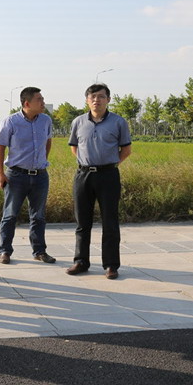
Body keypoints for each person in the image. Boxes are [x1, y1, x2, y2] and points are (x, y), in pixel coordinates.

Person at [66, 83, 132, 279]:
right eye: (93, 97)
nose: (97, 100)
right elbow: (74, 147)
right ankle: (81, 261)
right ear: (87, 100)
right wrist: (87, 162)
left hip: (108, 176)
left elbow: (126, 150)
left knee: (110, 221)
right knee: (82, 221)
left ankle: (111, 265)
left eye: (101, 97)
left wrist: (110, 164)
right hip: (83, 175)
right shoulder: (78, 122)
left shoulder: (118, 122)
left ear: (108, 100)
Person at [0, 87, 56, 265]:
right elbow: (0, 147)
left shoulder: (45, 120)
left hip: (40, 176)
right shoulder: (10, 121)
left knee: (38, 216)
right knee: (10, 215)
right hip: (16, 176)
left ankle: (39, 251)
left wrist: (41, 161)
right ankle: (5, 251)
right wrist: (0, 173)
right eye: (39, 99)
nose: (43, 102)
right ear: (27, 103)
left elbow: (48, 142)